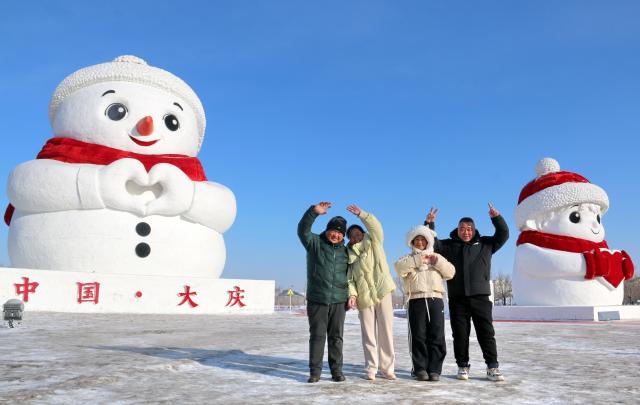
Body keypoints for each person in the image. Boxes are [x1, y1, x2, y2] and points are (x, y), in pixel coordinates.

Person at [424, 204, 509, 382]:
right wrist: (429, 224)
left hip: (481, 297)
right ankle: (463, 366)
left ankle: (492, 367)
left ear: (474, 230)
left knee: (486, 333)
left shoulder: (486, 244)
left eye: (469, 229)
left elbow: (503, 235)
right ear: (458, 229)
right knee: (460, 334)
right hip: (458, 299)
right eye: (462, 228)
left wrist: (496, 218)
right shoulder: (449, 246)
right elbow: (431, 243)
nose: (466, 232)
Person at [395, 225, 455, 382]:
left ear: (428, 241)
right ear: (412, 242)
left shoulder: (436, 257)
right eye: (417, 239)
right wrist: (417, 260)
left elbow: (450, 272)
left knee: (437, 335)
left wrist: (438, 263)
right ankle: (420, 368)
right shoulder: (407, 259)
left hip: (435, 299)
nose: (420, 242)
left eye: (423, 239)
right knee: (418, 335)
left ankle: (435, 369)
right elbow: (399, 269)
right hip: (416, 300)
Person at [297, 201, 349, 383]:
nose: (335, 234)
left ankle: (336, 371)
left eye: (339, 232)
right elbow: (302, 230)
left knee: (336, 338)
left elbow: (351, 276)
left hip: (339, 300)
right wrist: (313, 212)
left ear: (343, 236)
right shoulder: (315, 243)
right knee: (318, 336)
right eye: (333, 231)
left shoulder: (346, 251)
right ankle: (315, 372)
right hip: (317, 298)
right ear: (327, 230)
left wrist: (351, 295)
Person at [345, 204, 396, 381]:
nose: (355, 237)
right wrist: (352, 295)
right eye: (351, 236)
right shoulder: (350, 255)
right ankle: (371, 367)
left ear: (363, 233)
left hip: (382, 291)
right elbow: (350, 279)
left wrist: (362, 215)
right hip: (364, 297)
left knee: (386, 332)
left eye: (358, 233)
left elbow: (376, 227)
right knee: (368, 333)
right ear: (349, 240)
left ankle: (387, 368)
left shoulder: (375, 242)